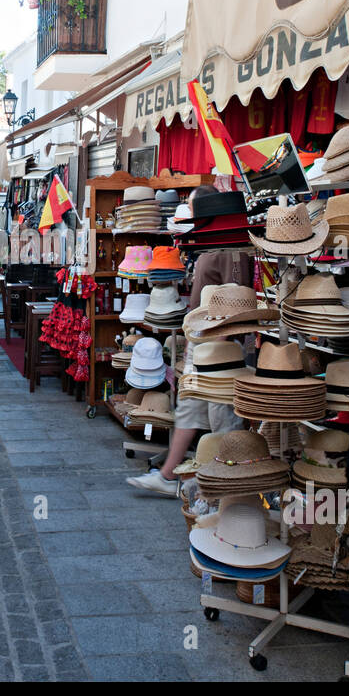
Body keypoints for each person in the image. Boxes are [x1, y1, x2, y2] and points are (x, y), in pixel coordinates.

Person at [128, 185, 252, 496]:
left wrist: (218, 344)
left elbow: (236, 300)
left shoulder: (228, 248)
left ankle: (229, 484)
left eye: (195, 208)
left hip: (218, 345)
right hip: (203, 341)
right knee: (191, 407)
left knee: (221, 415)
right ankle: (171, 475)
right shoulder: (213, 244)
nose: (191, 213)